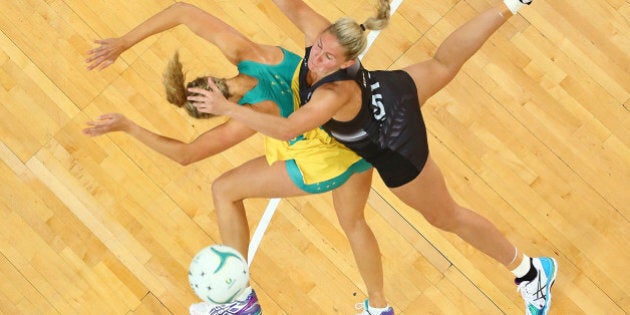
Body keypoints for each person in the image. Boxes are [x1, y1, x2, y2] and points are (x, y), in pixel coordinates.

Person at [188, 0, 558, 314]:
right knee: (443, 64)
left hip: (395, 147)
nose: (316, 57)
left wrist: (226, 107)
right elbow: (293, 4)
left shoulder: (332, 94)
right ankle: (512, 3)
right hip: (393, 90)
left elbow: (288, 130)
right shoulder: (324, 42)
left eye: (328, 56)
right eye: (318, 47)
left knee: (447, 216)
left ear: (348, 60)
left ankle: (530, 271)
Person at [84, 3, 391, 314]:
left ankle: (238, 300)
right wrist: (128, 124)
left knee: (225, 190)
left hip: (324, 160)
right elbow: (186, 153)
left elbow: (182, 12)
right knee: (353, 223)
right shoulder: (258, 60)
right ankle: (379, 308)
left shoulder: (253, 106)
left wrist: (123, 44)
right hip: (356, 142)